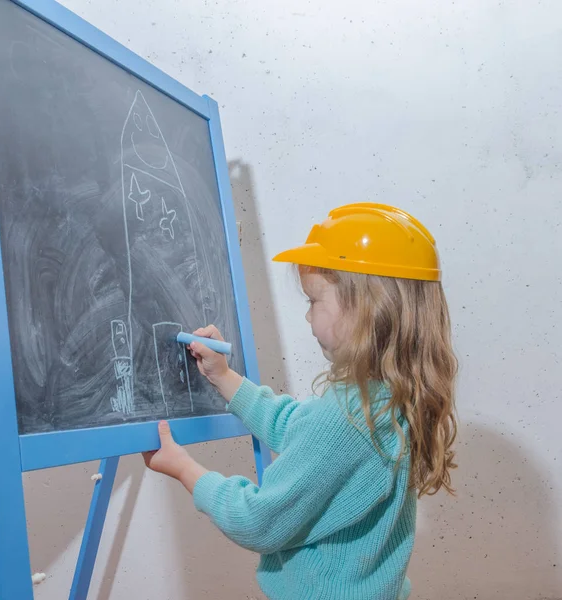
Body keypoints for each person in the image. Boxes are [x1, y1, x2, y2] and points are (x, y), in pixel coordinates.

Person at [143, 203, 458, 600]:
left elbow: (257, 521)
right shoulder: (390, 396)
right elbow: (297, 428)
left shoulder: (345, 419)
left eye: (313, 301)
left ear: (365, 310)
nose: (308, 318)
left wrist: (183, 468)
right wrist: (224, 378)